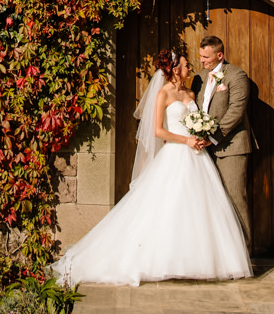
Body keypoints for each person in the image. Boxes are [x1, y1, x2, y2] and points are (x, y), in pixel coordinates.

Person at [50, 49, 251, 287]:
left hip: (197, 156)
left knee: (197, 209)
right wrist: (185, 140)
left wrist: (199, 135)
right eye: (186, 66)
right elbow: (158, 131)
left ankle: (192, 261)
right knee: (167, 207)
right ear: (175, 69)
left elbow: (196, 119)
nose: (191, 69)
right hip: (176, 153)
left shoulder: (189, 91)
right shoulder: (163, 94)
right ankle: (160, 260)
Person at [192, 35, 254, 253]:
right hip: (204, 150)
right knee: (209, 201)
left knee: (235, 198)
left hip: (231, 148)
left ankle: (243, 255)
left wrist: (214, 137)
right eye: (200, 56)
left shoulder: (237, 75)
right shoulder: (199, 77)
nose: (202, 61)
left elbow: (236, 111)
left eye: (206, 57)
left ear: (220, 55)